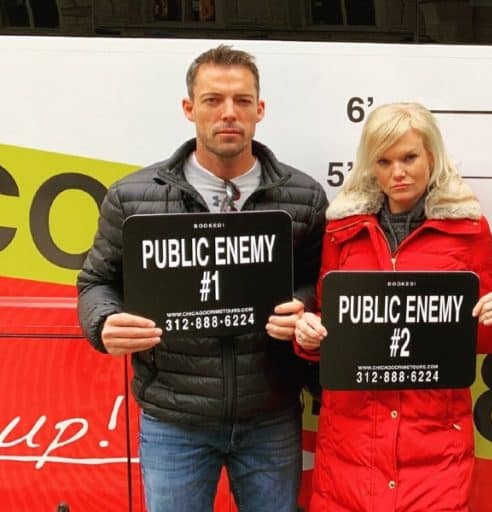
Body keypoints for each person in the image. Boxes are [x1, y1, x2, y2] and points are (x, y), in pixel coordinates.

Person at [76, 45, 328, 511]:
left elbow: (324, 283)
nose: (228, 113)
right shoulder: (132, 197)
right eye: (213, 100)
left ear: (260, 109)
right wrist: (102, 322)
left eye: (242, 101)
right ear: (189, 109)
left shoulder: (304, 196)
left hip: (270, 415)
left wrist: (305, 306)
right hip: (174, 419)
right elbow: (96, 282)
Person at [293, 102, 492, 512]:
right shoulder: (341, 230)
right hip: (351, 441)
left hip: (434, 442)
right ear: (370, 166)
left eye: (409, 157)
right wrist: (309, 336)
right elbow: (331, 327)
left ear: (432, 157)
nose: (397, 172)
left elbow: (476, 337)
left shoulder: (469, 229)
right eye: (383, 161)